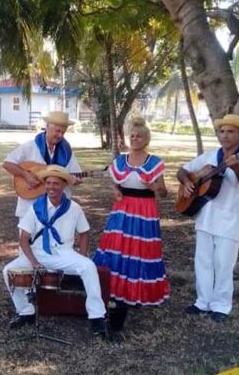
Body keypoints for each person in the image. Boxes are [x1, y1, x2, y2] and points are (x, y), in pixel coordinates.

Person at [2, 165, 107, 338]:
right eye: (48, 183)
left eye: (56, 183)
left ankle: (97, 319)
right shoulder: (36, 207)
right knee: (7, 271)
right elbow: (23, 239)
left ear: (64, 185)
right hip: (37, 253)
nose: (51, 187)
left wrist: (81, 255)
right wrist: (34, 262)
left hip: (63, 253)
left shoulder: (74, 208)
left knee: (88, 267)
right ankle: (25, 312)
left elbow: (84, 232)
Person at [177, 114, 239, 322]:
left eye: (230, 131)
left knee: (223, 264)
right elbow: (182, 170)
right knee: (202, 262)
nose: (225, 135)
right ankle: (202, 301)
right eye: (222, 131)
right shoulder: (210, 156)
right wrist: (187, 182)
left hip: (229, 220)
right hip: (205, 218)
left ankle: (221, 305)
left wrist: (238, 170)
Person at [93, 118, 169, 327]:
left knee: (139, 251)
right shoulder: (120, 161)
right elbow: (116, 185)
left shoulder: (155, 163)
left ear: (146, 139)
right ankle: (115, 290)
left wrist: (155, 188)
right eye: (132, 136)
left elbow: (163, 193)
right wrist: (115, 191)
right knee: (117, 249)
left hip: (144, 211)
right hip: (123, 209)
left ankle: (136, 292)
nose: (135, 139)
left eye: (139, 136)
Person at [2, 111, 82, 219]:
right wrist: (25, 174)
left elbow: (76, 174)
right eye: (57, 131)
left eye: (63, 132)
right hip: (30, 207)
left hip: (57, 209)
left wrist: (73, 181)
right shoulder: (30, 146)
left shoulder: (66, 151)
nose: (60, 136)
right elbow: (7, 163)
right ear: (47, 127)